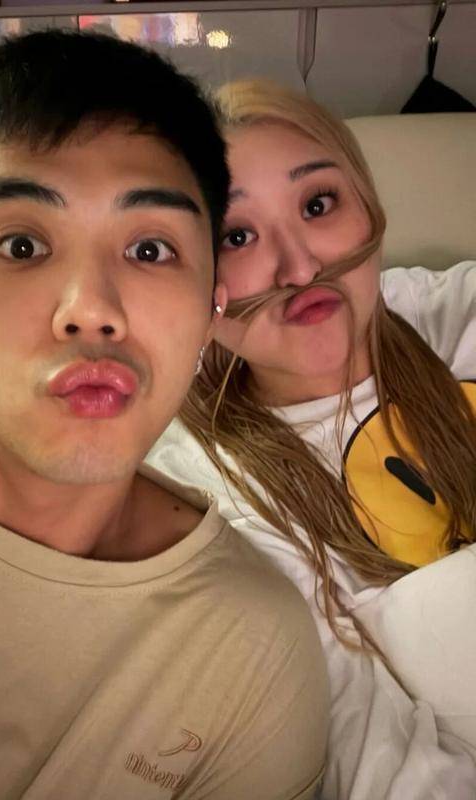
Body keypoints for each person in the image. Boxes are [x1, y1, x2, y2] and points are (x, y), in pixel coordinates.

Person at [0, 34, 329, 800]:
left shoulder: (250, 657)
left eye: (151, 250)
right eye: (22, 245)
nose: (92, 310)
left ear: (210, 316)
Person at [147, 78, 476, 798]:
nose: (300, 269)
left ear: (369, 209)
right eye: (237, 236)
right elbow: (378, 765)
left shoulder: (447, 316)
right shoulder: (208, 499)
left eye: (318, 204)